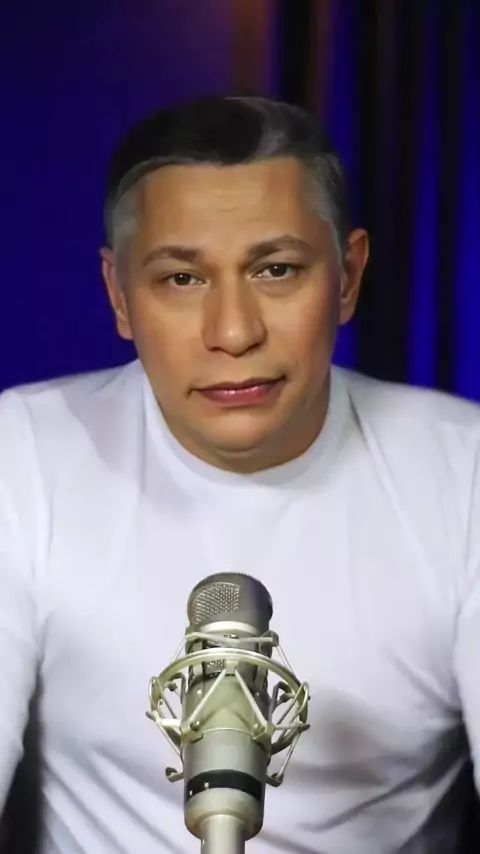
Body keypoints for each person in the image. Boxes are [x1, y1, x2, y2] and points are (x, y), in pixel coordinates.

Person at [0, 95, 479, 854]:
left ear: (348, 276)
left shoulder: (463, 473)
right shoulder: (23, 455)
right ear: (119, 295)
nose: (233, 332)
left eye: (277, 269)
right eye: (181, 279)